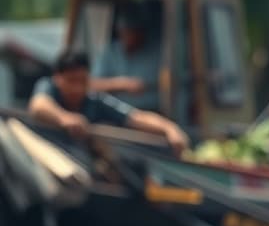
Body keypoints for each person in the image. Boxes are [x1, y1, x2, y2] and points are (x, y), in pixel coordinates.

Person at [28, 49, 188, 155]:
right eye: (71, 81)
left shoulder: (95, 101)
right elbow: (38, 106)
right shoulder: (47, 86)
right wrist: (64, 118)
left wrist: (170, 129)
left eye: (82, 81)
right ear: (58, 78)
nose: (77, 88)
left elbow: (136, 117)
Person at [92, 4, 163, 111]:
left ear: (141, 32)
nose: (127, 36)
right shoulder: (109, 51)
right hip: (116, 114)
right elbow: (93, 85)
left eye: (131, 31)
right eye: (123, 31)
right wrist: (121, 84)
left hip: (153, 111)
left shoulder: (159, 52)